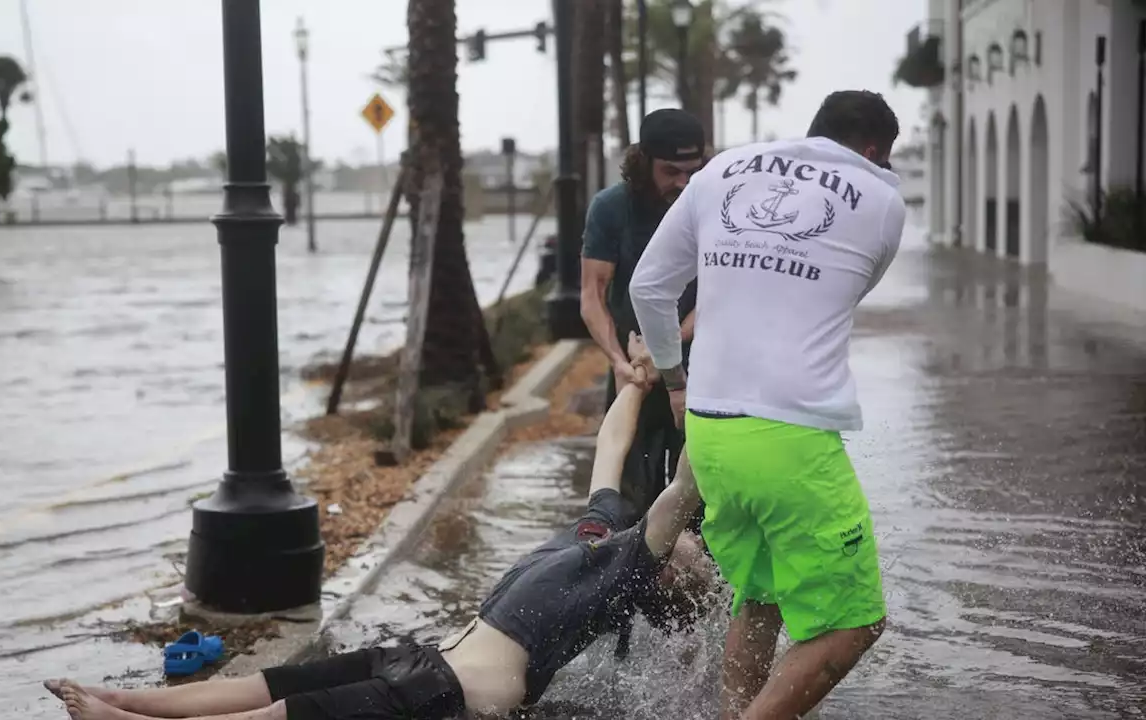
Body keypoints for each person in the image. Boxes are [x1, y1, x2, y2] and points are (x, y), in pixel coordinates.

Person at [45, 334, 716, 720]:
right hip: (421, 662)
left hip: (448, 698)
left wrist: (721, 398)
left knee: (284, 718)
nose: (700, 552)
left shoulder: (628, 567)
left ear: (664, 572)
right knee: (275, 686)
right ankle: (121, 697)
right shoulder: (599, 534)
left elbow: (683, 489)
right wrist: (636, 382)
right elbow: (610, 449)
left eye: (697, 560)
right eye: (703, 552)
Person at [627, 90, 905, 720]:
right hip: (790, 436)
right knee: (854, 623)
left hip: (710, 430)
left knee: (759, 598)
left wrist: (674, 380)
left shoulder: (720, 171)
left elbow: (649, 287)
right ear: (871, 151)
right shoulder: (883, 199)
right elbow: (850, 286)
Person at [580, 108, 706, 517]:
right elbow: (592, 295)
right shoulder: (611, 208)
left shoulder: (711, 205)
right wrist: (619, 360)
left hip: (700, 366)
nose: (682, 183)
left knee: (701, 498)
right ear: (643, 162)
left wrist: (666, 345)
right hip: (632, 371)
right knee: (628, 495)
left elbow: (720, 293)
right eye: (670, 171)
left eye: (692, 170)